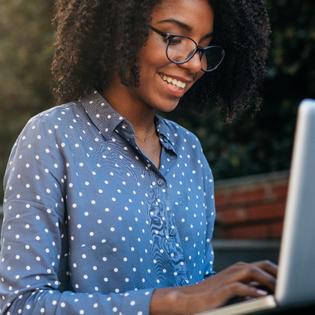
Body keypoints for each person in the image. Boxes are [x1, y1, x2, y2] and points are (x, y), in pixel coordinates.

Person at [0, 0, 277, 314]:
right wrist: (168, 302)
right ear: (121, 30)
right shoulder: (51, 137)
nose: (195, 64)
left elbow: (194, 284)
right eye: (174, 38)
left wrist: (239, 293)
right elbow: (19, 305)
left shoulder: (189, 150)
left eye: (204, 49)